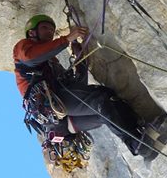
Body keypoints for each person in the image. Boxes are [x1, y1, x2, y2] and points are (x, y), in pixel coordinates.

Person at [13, 14, 148, 156]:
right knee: (101, 99)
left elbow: (75, 87)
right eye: (45, 28)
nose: (50, 32)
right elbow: (30, 58)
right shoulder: (22, 48)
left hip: (61, 119)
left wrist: (80, 58)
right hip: (54, 108)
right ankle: (136, 141)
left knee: (106, 111)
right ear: (32, 32)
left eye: (52, 30)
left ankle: (139, 135)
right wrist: (67, 39)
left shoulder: (50, 62)